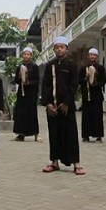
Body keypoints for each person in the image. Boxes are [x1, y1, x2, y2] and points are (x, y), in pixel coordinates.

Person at [41, 36, 85, 175]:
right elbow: (45, 86)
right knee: (54, 134)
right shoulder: (49, 66)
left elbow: (74, 85)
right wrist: (47, 103)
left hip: (67, 107)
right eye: (57, 47)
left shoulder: (72, 65)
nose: (59, 49)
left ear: (66, 49)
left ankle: (76, 163)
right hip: (52, 107)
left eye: (62, 47)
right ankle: (54, 162)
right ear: (54, 49)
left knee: (70, 134)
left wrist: (66, 102)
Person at [13, 46, 40, 142]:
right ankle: (21, 134)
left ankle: (35, 134)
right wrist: (20, 78)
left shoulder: (35, 67)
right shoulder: (19, 67)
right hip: (22, 93)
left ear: (31, 55)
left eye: (28, 54)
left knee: (32, 113)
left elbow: (37, 80)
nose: (26, 56)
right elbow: (16, 80)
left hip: (31, 94)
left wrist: (29, 83)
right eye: (24, 54)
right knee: (21, 113)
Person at [79, 48, 106, 143]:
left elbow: (104, 81)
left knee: (97, 117)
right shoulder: (83, 68)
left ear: (97, 57)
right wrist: (85, 77)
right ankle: (85, 136)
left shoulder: (100, 68)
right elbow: (79, 81)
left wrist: (96, 83)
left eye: (94, 55)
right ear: (88, 56)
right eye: (91, 55)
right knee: (86, 117)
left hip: (97, 96)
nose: (92, 56)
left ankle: (98, 135)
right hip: (86, 96)